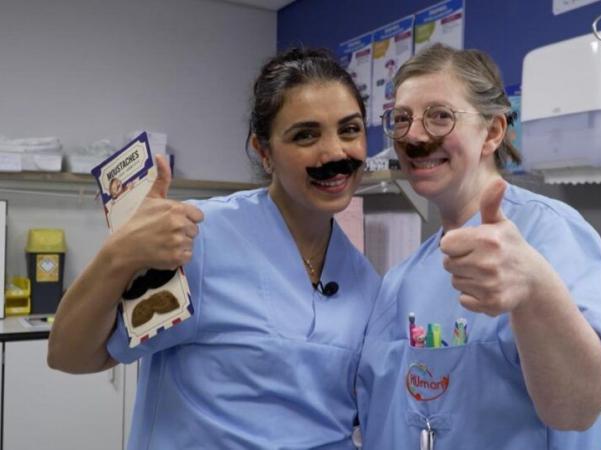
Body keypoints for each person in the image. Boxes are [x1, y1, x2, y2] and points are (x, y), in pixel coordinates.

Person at [48, 47, 380, 450]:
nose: (334, 153)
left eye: (350, 129)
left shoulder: (365, 282)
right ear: (264, 151)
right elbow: (71, 355)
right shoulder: (199, 238)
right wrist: (120, 254)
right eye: (305, 135)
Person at [356, 44, 601, 449]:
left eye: (440, 116)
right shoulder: (402, 278)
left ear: (493, 131)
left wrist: (535, 291)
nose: (413, 136)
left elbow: (577, 409)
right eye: (402, 119)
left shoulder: (549, 233)